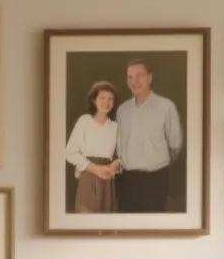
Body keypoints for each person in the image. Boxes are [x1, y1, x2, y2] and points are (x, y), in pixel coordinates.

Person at [114, 58, 183, 214]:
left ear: (149, 78)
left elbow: (175, 145)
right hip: (127, 181)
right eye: (130, 77)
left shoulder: (166, 106)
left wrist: (156, 160)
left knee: (152, 225)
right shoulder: (122, 110)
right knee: (127, 225)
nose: (134, 81)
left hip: (156, 180)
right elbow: (120, 146)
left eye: (139, 76)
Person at [63, 80, 121, 214]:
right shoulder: (84, 121)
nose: (106, 102)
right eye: (102, 98)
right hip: (88, 178)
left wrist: (116, 165)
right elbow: (70, 152)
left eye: (110, 99)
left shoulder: (115, 127)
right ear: (94, 100)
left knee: (107, 222)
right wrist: (96, 169)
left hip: (107, 180)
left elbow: (122, 155)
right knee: (87, 220)